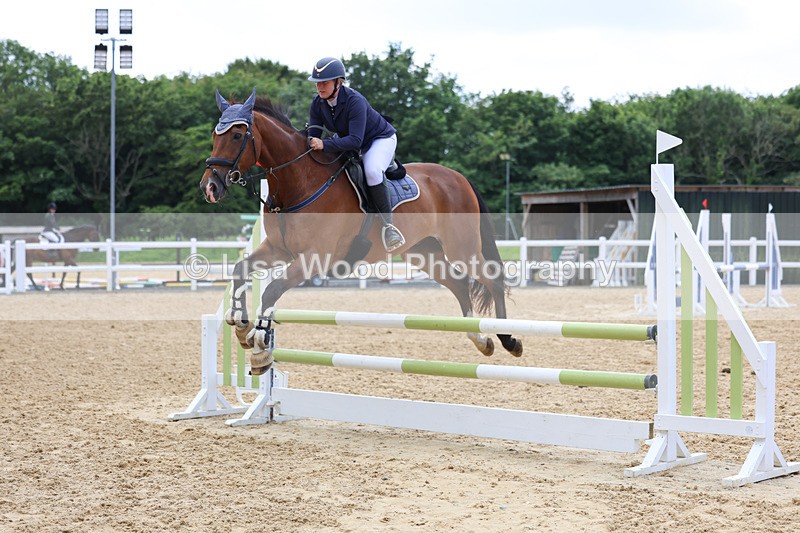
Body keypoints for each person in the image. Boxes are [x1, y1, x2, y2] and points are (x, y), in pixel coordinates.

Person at [306, 57, 405, 253]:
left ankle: (389, 227)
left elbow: (356, 141)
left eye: (324, 82)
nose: (320, 87)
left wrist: (324, 144)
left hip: (378, 139)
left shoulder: (355, 101)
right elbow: (313, 135)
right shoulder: (318, 103)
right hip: (349, 140)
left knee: (372, 171)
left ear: (338, 82)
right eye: (318, 83)